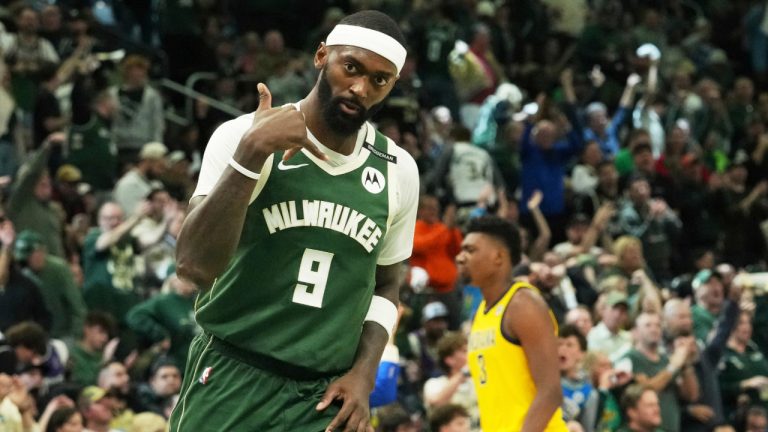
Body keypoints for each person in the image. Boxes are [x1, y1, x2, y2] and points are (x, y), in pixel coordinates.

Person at [170, 11, 418, 432]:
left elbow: (387, 284)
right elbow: (193, 266)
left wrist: (364, 373)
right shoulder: (243, 134)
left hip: (324, 396)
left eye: (379, 80)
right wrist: (251, 155)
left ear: (392, 85)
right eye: (351, 67)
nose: (359, 88)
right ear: (322, 55)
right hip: (233, 374)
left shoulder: (399, 169)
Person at [457, 216, 567, 431]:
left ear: (498, 257)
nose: (460, 257)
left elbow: (551, 392)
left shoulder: (523, 304)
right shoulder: (480, 313)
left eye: (470, 250)